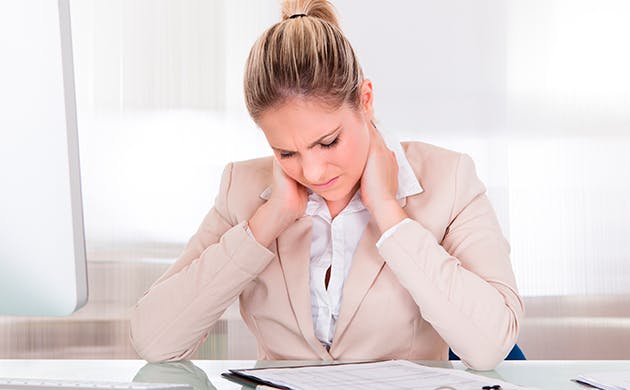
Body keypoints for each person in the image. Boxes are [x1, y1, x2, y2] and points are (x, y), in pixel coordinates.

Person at [130, 0, 524, 370]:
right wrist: (268, 222)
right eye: (286, 153)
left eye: (328, 142)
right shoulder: (242, 188)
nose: (314, 172)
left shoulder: (448, 178)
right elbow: (154, 340)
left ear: (365, 100)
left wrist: (389, 212)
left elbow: (490, 346)